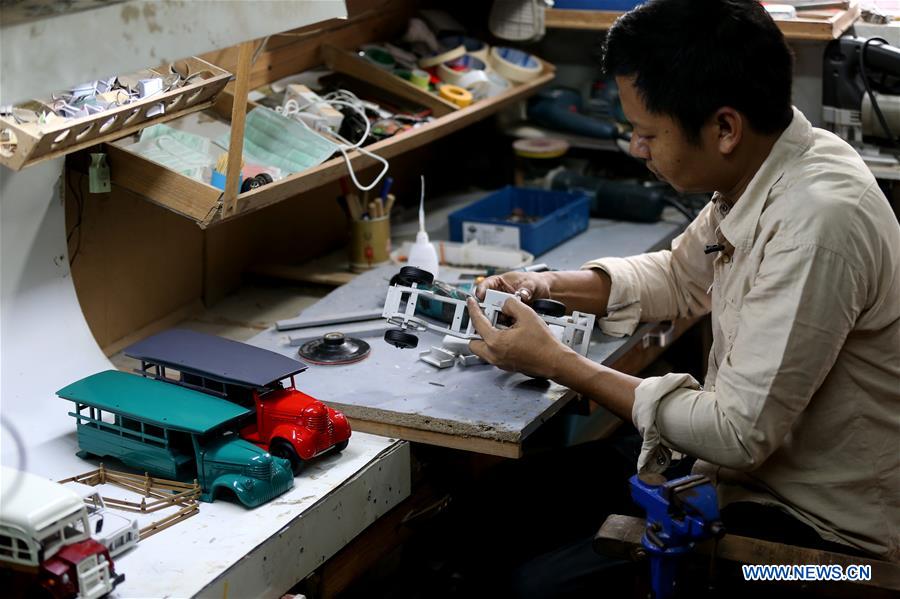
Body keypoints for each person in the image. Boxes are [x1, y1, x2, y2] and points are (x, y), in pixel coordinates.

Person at [467, 0, 900, 572]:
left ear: (724, 127)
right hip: (729, 474)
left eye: (647, 133)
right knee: (495, 506)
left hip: (818, 535)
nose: (636, 149)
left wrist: (558, 363)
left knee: (534, 586)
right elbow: (678, 274)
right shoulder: (767, 165)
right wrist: (546, 282)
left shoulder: (817, 222)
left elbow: (733, 434)